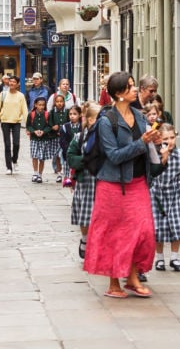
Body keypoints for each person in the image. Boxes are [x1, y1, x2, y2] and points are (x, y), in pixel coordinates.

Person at [82, 70, 167, 299]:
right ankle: (115, 283)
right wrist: (141, 143)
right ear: (119, 94)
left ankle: (131, 276)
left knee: (143, 231)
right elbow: (115, 155)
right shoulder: (106, 121)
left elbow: (146, 144)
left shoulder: (139, 117)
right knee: (114, 234)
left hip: (138, 183)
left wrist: (155, 142)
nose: (134, 90)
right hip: (112, 185)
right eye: (129, 87)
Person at [152, 123, 180, 272]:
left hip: (176, 195)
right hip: (157, 196)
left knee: (176, 227)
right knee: (158, 229)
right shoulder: (155, 154)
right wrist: (163, 157)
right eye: (166, 138)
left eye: (172, 138)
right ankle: (159, 258)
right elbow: (151, 173)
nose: (170, 141)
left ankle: (174, 258)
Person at [67, 101, 101, 260]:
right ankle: (85, 239)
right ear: (88, 119)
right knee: (85, 215)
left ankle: (98, 244)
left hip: (101, 181)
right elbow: (70, 157)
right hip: (85, 181)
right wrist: (85, 160)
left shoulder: (104, 137)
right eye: (97, 118)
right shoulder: (79, 137)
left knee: (100, 216)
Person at [0, 75, 28, 174]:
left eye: (13, 82)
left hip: (16, 122)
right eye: (10, 81)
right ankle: (9, 167)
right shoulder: (3, 94)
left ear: (17, 84)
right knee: (7, 145)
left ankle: (15, 160)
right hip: (5, 122)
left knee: (16, 144)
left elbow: (25, 110)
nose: (11, 83)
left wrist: (28, 125)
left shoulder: (21, 96)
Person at [26, 95, 54, 183]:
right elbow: (28, 126)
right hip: (34, 139)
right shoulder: (31, 114)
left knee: (42, 157)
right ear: (35, 105)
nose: (41, 107)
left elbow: (49, 126)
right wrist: (33, 131)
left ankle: (40, 174)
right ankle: (35, 173)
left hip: (44, 139)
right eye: (39, 105)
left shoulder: (47, 114)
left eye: (43, 105)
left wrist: (43, 131)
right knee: (34, 156)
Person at [49, 94, 71, 183]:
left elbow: (69, 122)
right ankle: (58, 172)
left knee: (65, 154)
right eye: (57, 102)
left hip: (65, 137)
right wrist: (53, 127)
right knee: (57, 155)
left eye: (61, 101)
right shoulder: (52, 112)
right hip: (55, 137)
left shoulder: (67, 112)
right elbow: (50, 123)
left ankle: (67, 172)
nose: (59, 103)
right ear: (54, 102)